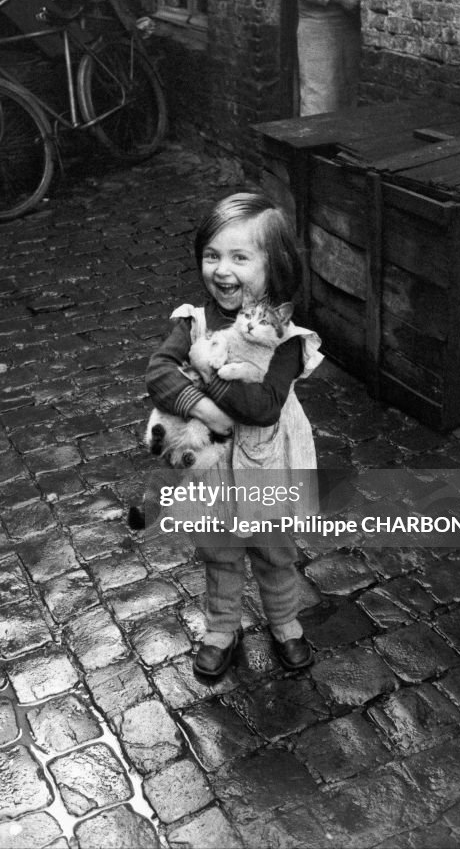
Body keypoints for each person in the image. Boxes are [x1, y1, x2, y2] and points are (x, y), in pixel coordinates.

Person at [145, 193, 324, 680]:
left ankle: (284, 620)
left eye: (240, 257)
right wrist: (203, 407)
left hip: (268, 462)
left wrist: (209, 379)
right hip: (213, 473)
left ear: (275, 266)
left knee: (274, 551)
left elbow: (264, 407)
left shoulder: (284, 339)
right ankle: (222, 627)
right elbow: (159, 371)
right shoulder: (193, 322)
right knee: (220, 551)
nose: (222, 270)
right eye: (212, 255)